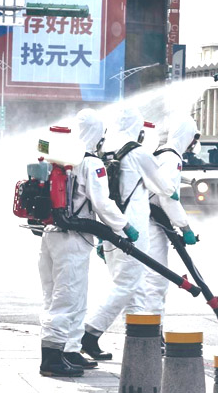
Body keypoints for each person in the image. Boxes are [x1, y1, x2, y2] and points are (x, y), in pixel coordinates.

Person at [38, 109, 138, 377]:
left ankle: (69, 349)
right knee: (68, 298)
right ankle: (51, 359)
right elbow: (102, 203)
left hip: (50, 234)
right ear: (98, 133)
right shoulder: (91, 162)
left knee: (57, 296)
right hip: (73, 239)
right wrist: (124, 226)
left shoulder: (56, 156)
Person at [81, 107, 178, 361]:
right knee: (127, 284)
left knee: (133, 287)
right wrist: (174, 193)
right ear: (137, 127)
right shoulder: (137, 152)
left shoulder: (105, 151)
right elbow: (163, 185)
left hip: (111, 227)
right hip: (133, 228)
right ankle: (90, 333)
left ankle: (141, 341)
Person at [141, 116, 199, 320]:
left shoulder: (160, 153)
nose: (194, 144)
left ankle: (145, 331)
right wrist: (185, 228)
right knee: (156, 282)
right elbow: (167, 198)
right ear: (188, 137)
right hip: (153, 226)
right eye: (194, 138)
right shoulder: (172, 159)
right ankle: (153, 334)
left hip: (146, 222)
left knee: (144, 282)